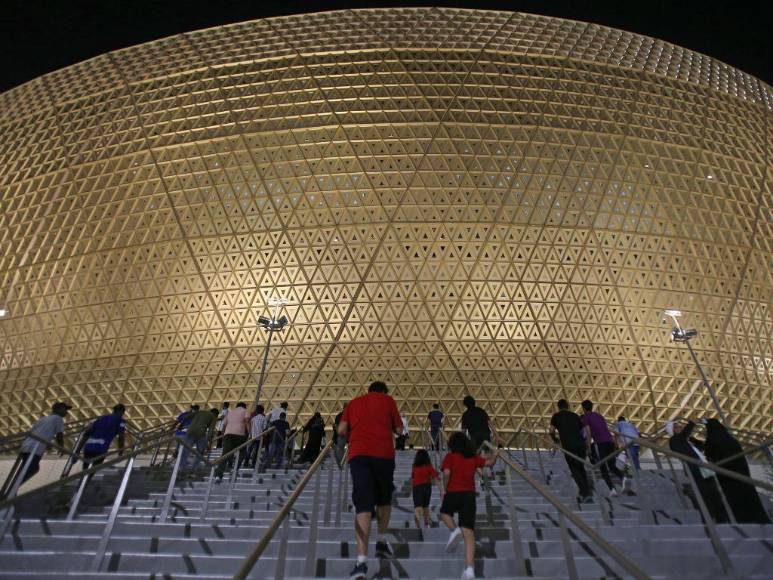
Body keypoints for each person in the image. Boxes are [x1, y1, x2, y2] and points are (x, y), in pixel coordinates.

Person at [337, 381, 403, 580]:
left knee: (363, 504)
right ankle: (381, 540)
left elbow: (341, 430)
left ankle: (361, 561)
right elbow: (399, 429)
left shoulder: (354, 403)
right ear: (383, 391)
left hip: (359, 454)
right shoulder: (388, 401)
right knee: (384, 499)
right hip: (383, 454)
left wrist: (355, 435)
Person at [439, 431, 497, 580]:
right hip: (469, 495)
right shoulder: (472, 457)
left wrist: (445, 489)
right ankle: (470, 570)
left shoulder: (450, 457)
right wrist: (495, 453)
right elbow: (489, 463)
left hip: (453, 491)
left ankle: (454, 530)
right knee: (469, 532)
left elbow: (446, 473)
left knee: (444, 513)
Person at [704, 419, 770, 524]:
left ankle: (744, 520)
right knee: (749, 497)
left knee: (736, 499)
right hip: (741, 472)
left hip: (727, 475)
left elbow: (710, 453)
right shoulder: (730, 439)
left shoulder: (713, 439)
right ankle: (759, 519)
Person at [667, 419, 728, 523]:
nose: (680, 428)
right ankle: (711, 519)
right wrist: (691, 423)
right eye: (676, 427)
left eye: (680, 426)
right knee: (705, 494)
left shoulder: (687, 440)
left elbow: (702, 447)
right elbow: (683, 437)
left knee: (715, 493)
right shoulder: (674, 440)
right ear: (671, 431)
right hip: (695, 469)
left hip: (704, 468)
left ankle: (721, 518)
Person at [10, 401, 71, 491]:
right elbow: (59, 435)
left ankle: (11, 490)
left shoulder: (43, 419)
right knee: (32, 469)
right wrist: (61, 448)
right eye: (65, 409)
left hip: (27, 445)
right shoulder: (58, 418)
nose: (66, 412)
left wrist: (47, 444)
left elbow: (34, 432)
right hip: (35, 448)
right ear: (59, 409)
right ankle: (12, 489)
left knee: (25, 470)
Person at [550, 399, 592, 502]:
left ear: (558, 407)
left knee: (574, 469)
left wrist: (555, 439)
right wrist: (587, 444)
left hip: (569, 445)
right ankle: (585, 492)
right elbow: (584, 430)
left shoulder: (556, 416)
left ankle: (585, 493)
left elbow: (551, 430)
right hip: (581, 444)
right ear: (568, 406)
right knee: (581, 468)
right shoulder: (575, 415)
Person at [580, 400, 623, 495]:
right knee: (611, 466)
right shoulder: (599, 416)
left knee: (603, 467)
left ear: (583, 408)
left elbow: (588, 433)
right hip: (610, 441)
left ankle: (612, 489)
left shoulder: (586, 417)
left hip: (600, 443)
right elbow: (605, 428)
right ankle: (623, 478)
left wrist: (589, 448)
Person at [81, 404, 127, 470]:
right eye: (123, 412)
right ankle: (88, 477)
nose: (123, 414)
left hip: (89, 446)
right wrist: (120, 452)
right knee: (93, 469)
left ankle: (84, 476)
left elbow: (87, 433)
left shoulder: (101, 418)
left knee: (85, 470)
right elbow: (121, 437)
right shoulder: (121, 421)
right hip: (101, 448)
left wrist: (78, 450)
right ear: (120, 411)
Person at [215, 402, 249, 481]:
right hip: (240, 435)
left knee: (225, 455)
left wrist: (223, 436)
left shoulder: (230, 413)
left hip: (228, 435)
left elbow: (224, 425)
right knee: (242, 452)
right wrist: (250, 433)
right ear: (244, 407)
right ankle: (235, 469)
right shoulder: (245, 411)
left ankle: (219, 475)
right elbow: (247, 420)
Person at [411, 449, 439, 529]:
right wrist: (441, 489)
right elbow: (435, 476)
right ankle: (426, 524)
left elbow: (413, 477)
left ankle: (418, 524)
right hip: (426, 487)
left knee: (417, 507)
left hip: (416, 487)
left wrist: (412, 487)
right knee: (425, 507)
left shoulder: (414, 466)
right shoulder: (428, 466)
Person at [246, 405, 269, 469]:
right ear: (263, 411)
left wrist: (250, 435)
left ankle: (246, 462)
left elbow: (250, 427)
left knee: (249, 450)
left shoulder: (253, 418)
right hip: (259, 437)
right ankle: (253, 463)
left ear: (256, 411)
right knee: (256, 451)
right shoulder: (264, 419)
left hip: (252, 437)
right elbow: (264, 428)